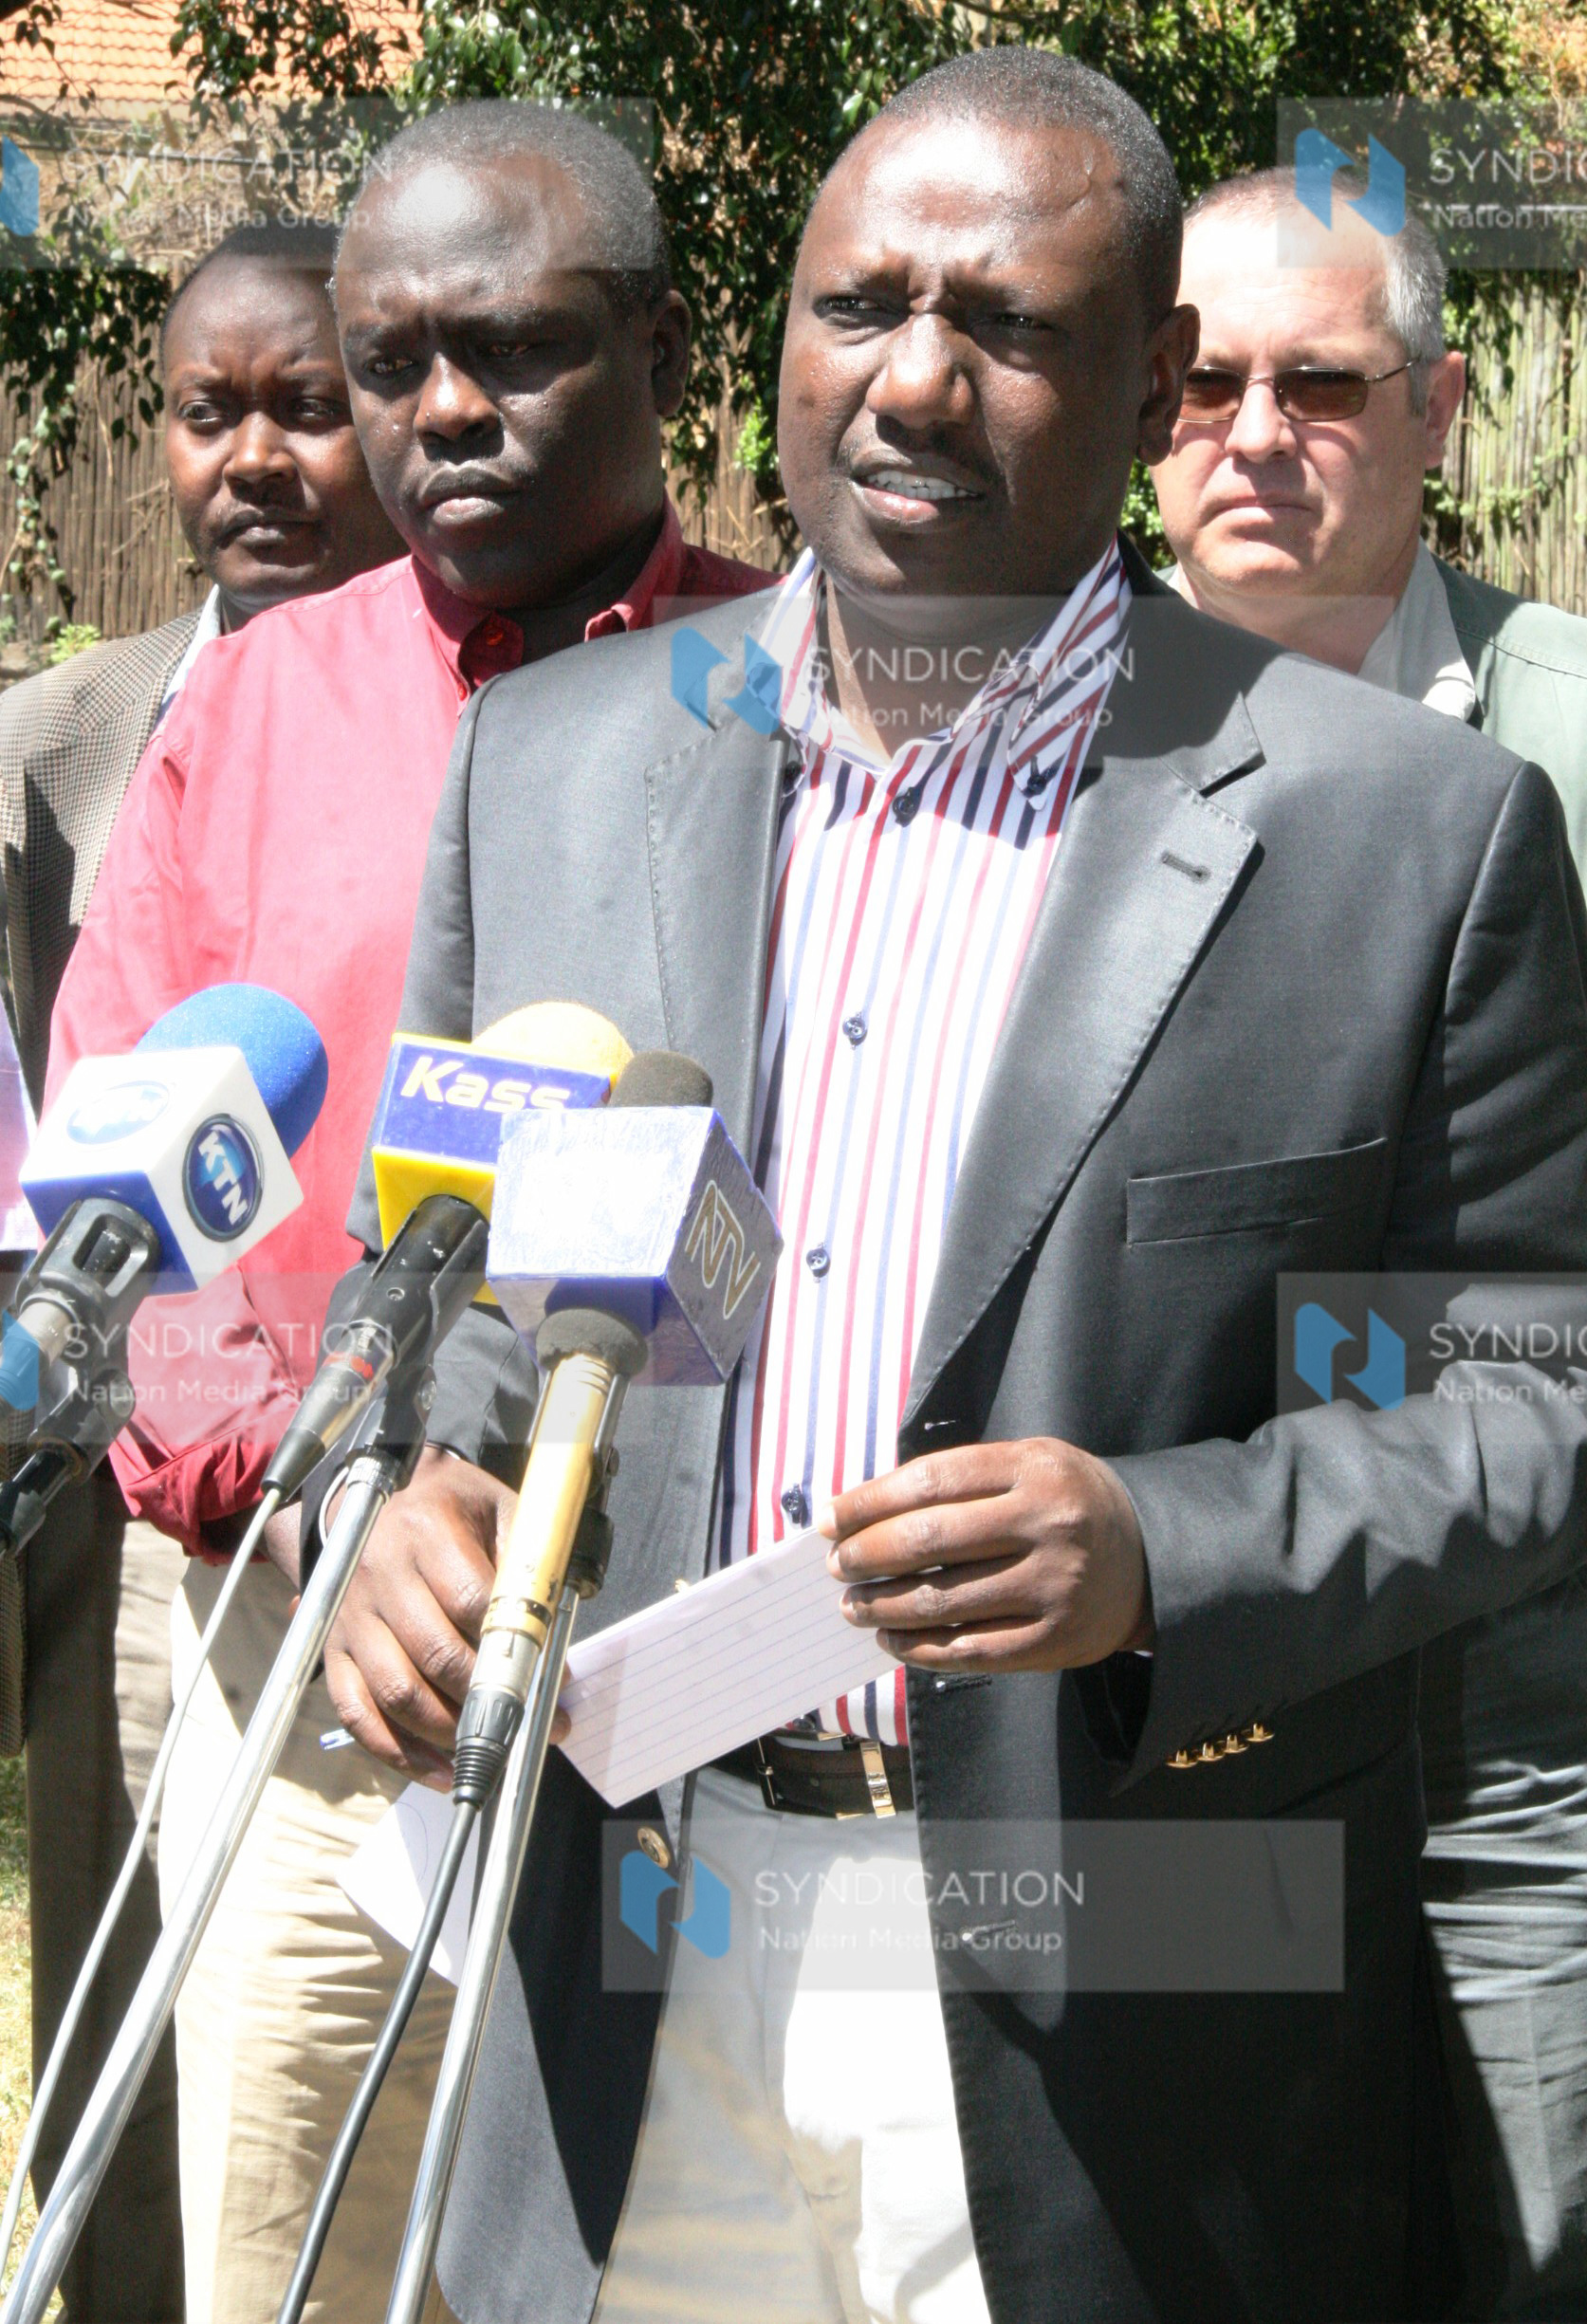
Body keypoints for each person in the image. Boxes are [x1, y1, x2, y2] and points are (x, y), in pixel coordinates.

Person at [323, 47, 1587, 2324]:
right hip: (624, 1957)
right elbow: (425, 1302)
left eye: (1003, 324)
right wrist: (401, 1506)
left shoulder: (1397, 834)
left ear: (1145, 384)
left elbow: (1526, 1396)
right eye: (857, 305)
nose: (912, 378)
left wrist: (1158, 1548)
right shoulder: (548, 768)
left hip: (1136, 2001)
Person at [46, 101, 767, 2323]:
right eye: (389, 361)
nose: (438, 410)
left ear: (664, 346)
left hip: (691, 1692)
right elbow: (120, 1191)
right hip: (299, 1666)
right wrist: (326, 1501)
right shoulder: (258, 701)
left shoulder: (809, 696)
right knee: (288, 2273)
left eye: (512, 347)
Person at [1150, 169, 1587, 2321]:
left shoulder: (1573, 742)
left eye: (1317, 384)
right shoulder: (1035, 761)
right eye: (1201, 379)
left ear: (1434, 408)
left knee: (1532, 2238)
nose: (1251, 433)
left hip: (1525, 1723)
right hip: (1175, 1716)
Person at [0, 215, 398, 2324]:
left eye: (307, 406)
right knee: (123, 1958)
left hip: (408, 1503)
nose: (254, 457)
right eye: (206, 411)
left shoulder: (544, 706)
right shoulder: (56, 743)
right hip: (114, 1491)